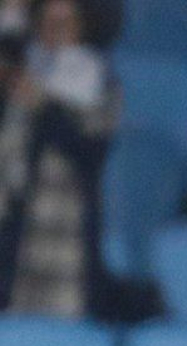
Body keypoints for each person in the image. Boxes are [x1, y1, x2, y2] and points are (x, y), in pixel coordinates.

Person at [0, 0, 116, 317]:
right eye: (48, 22)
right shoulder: (24, 70)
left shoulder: (98, 79)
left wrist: (44, 105)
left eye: (65, 23)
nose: (56, 32)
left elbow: (88, 148)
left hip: (62, 233)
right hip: (13, 225)